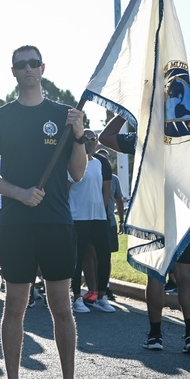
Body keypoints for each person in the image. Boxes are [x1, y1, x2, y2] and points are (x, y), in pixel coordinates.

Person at [0, 45, 89, 379]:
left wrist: (79, 135)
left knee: (61, 306)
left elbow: (77, 172)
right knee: (16, 305)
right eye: (20, 64)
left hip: (56, 222)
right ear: (13, 72)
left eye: (33, 63)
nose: (27, 69)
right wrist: (20, 194)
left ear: (42, 68)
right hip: (17, 224)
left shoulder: (64, 114)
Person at [99, 111, 190, 354]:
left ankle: (155, 335)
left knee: (156, 276)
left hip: (153, 211)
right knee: (185, 275)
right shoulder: (187, 138)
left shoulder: (144, 138)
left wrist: (124, 112)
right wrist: (183, 107)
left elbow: (105, 137)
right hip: (183, 209)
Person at [68, 130, 115, 314]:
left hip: (98, 218)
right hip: (77, 217)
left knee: (104, 257)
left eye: (93, 139)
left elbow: (106, 190)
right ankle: (77, 298)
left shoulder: (102, 163)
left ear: (97, 143)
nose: (89, 142)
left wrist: (101, 211)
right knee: (77, 259)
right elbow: (66, 188)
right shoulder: (72, 161)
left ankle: (101, 297)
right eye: (85, 139)